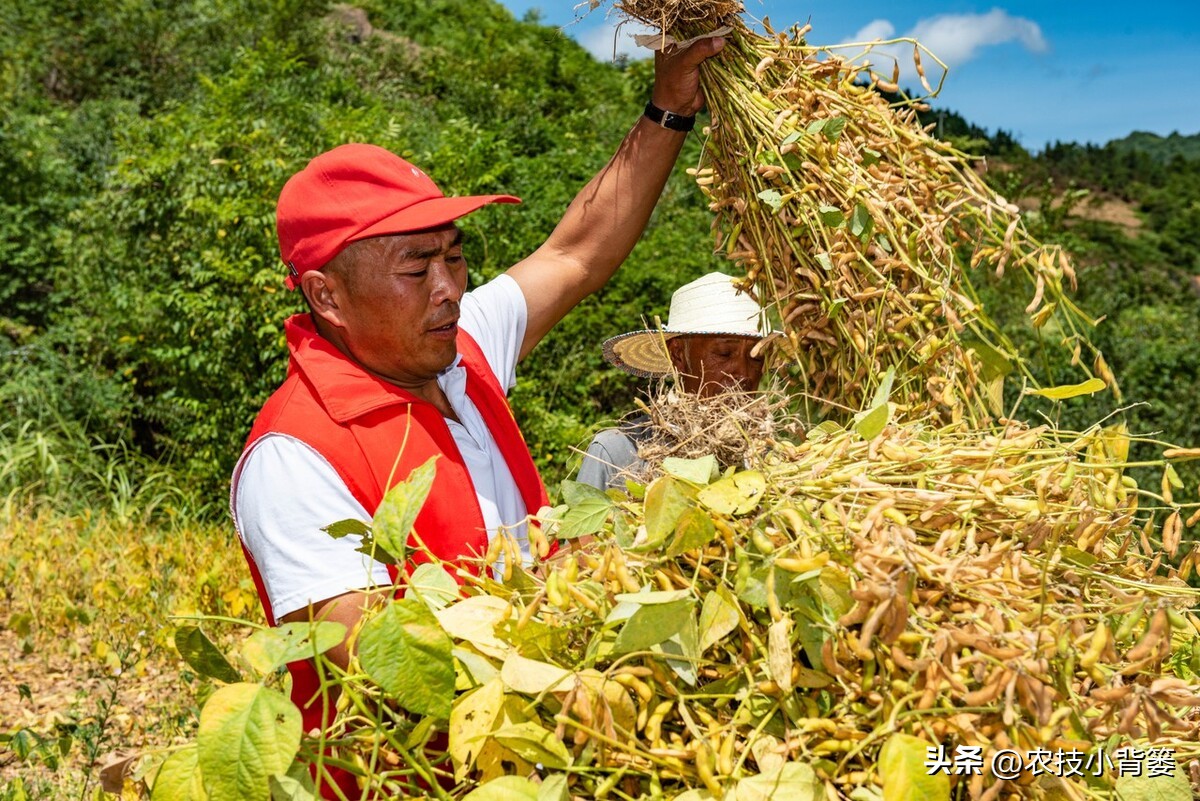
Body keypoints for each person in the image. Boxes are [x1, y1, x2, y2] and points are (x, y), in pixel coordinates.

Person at [228, 35, 726, 756]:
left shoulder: (457, 349)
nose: (450, 287)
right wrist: (586, 679)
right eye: (415, 266)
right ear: (326, 296)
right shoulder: (295, 453)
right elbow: (385, 662)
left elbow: (575, 253)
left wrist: (668, 108)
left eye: (455, 255)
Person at [577, 272, 771, 490]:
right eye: (724, 353)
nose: (744, 373)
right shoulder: (617, 454)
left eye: (757, 358)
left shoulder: (771, 459)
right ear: (678, 354)